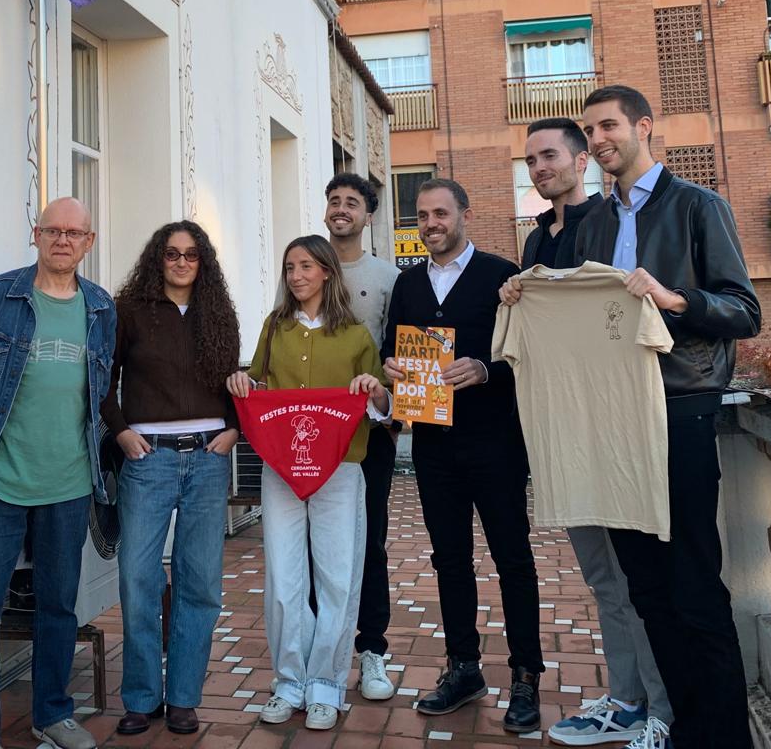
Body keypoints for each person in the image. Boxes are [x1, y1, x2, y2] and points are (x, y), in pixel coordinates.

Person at [506, 87, 760, 749]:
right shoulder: (591, 225)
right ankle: (679, 728)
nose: (599, 139)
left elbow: (745, 311)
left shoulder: (697, 206)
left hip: (680, 408)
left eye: (608, 125)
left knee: (694, 584)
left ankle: (723, 738)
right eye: (590, 130)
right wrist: (523, 295)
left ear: (644, 126)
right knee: (646, 588)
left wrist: (676, 299)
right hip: (610, 422)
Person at [517, 118, 670, 747]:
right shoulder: (535, 240)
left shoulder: (609, 224)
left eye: (550, 155)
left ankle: (662, 710)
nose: (539, 167)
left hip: (617, 427)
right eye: (531, 160)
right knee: (604, 578)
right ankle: (628, 699)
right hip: (564, 434)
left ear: (582, 160)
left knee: (640, 579)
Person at [0, 198, 115, 749]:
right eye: (52, 230)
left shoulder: (100, 308)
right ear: (36, 235)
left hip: (68, 483)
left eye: (74, 232)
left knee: (58, 605)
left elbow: (100, 389)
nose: (63, 240)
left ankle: (52, 714)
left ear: (88, 242)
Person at [381, 177, 543, 733]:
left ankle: (526, 676)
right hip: (433, 445)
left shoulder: (502, 277)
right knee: (449, 561)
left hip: (496, 443)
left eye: (441, 213)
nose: (431, 224)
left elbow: (528, 355)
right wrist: (392, 366)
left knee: (512, 559)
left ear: (464, 215)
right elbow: (391, 349)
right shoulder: (407, 284)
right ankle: (464, 668)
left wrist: (485, 369)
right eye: (423, 215)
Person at [226, 235, 388, 732]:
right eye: (289, 267)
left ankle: (326, 685)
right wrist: (243, 383)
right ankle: (289, 681)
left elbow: (382, 405)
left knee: (337, 576)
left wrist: (374, 389)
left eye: (306, 266)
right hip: (281, 469)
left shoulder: (356, 335)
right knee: (284, 577)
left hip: (341, 468)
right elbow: (258, 383)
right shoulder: (275, 327)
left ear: (326, 272)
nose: (296, 276)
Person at [102, 221, 240, 737]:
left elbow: (236, 381)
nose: (182, 263)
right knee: (138, 578)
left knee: (199, 581)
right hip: (148, 460)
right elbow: (103, 379)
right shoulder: (129, 311)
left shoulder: (218, 313)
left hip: (208, 458)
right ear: (157, 258)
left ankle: (183, 697)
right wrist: (120, 432)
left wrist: (234, 428)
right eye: (172, 254)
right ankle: (141, 698)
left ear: (203, 262)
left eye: (191, 255)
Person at [321, 171, 399, 702]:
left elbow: (398, 354)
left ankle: (372, 650)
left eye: (352, 202)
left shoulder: (388, 277)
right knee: (314, 545)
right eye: (334, 200)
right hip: (313, 431)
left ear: (368, 216)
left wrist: (393, 414)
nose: (341, 209)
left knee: (369, 541)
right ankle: (316, 649)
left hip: (370, 431)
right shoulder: (306, 267)